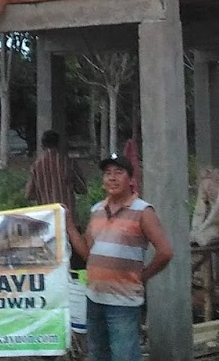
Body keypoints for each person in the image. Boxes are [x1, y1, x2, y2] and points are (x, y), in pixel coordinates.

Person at [64, 154, 174, 361]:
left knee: (125, 355)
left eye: (118, 172)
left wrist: (143, 276)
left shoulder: (142, 211)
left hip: (123, 302)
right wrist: (69, 225)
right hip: (94, 296)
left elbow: (165, 251)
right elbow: (88, 253)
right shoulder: (97, 210)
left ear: (131, 179)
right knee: (97, 354)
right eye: (107, 173)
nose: (112, 178)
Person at [25, 130, 86, 211]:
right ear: (58, 144)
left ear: (42, 145)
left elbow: (29, 195)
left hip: (47, 216)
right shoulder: (68, 163)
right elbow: (82, 188)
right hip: (66, 215)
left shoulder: (36, 166)